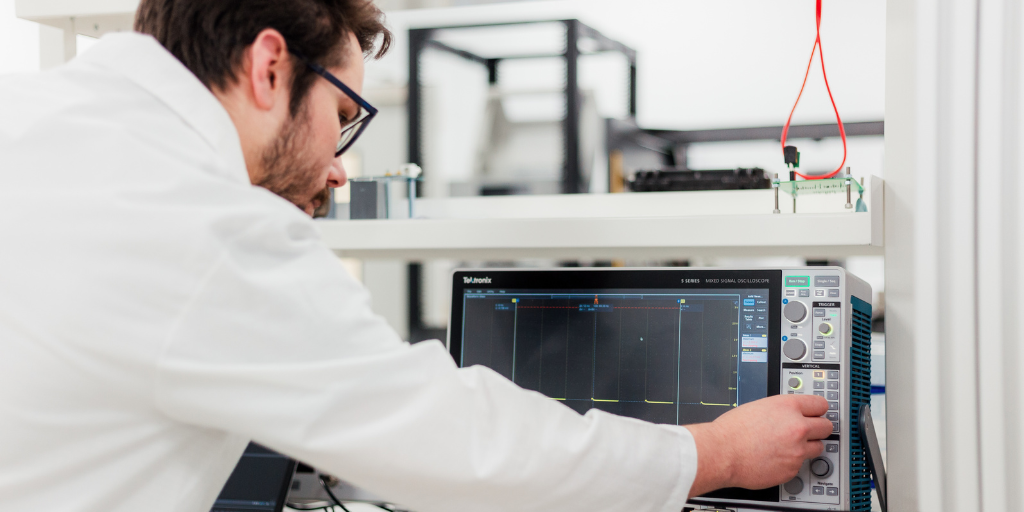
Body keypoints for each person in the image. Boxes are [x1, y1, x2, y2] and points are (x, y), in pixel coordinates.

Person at [0, 1, 833, 511]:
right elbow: (452, 444)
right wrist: (717, 454)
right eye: (345, 111)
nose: (338, 163)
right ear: (267, 67)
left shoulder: (34, 116)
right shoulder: (204, 220)